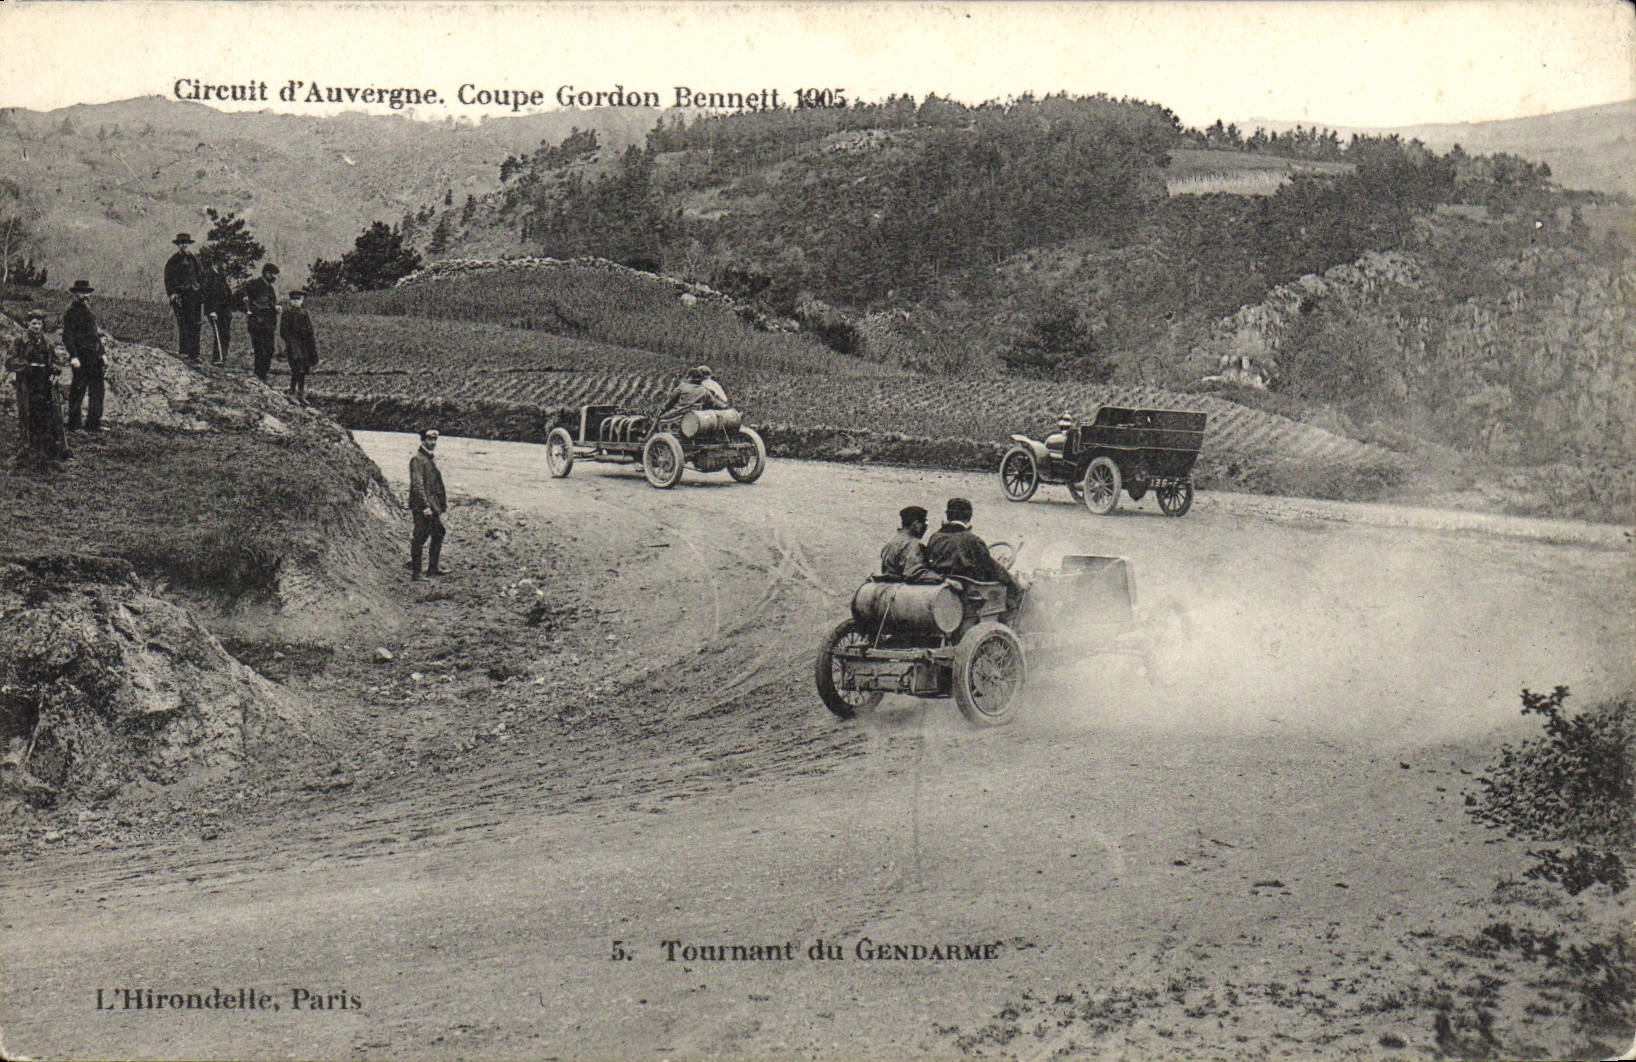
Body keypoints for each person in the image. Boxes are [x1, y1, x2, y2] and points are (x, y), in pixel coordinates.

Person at [925, 497, 1026, 606]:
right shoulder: (973, 540)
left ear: (947, 515)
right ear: (969, 517)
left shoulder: (934, 538)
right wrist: (1014, 584)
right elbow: (991, 568)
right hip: (971, 594)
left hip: (941, 589)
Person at [7, 309, 69, 467]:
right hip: (27, 383)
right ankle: (26, 448)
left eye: (39, 323)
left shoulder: (46, 342)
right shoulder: (20, 341)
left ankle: (48, 449)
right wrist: (28, 366)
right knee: (27, 414)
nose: (36, 326)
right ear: (27, 324)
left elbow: (54, 361)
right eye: (33, 323)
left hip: (44, 384)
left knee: (46, 415)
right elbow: (10, 361)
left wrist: (55, 371)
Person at [62, 280, 107, 431]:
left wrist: (102, 353)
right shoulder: (71, 311)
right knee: (78, 390)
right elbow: (67, 335)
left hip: (94, 357)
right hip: (81, 357)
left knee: (97, 391)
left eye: (87, 292)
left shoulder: (89, 310)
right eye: (81, 292)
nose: (85, 295)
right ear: (75, 294)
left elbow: (95, 335)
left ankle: (93, 423)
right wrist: (73, 356)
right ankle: (74, 425)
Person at [408, 428, 448, 580]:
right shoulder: (418, 459)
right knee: (419, 537)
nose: (433, 443)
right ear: (423, 440)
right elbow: (417, 485)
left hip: (431, 506)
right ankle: (417, 573)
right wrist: (425, 506)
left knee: (438, 533)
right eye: (430, 439)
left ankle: (432, 568)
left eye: (435, 440)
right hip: (423, 507)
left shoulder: (428, 458)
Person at [163, 232, 204, 361]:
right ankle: (184, 351)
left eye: (186, 243)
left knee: (196, 323)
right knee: (184, 322)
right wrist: (172, 293)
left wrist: (199, 289)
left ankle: (195, 353)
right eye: (181, 243)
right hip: (181, 295)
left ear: (189, 244)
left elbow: (201, 276)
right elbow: (168, 278)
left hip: (194, 296)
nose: (184, 245)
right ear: (178, 245)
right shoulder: (173, 260)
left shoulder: (194, 259)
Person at [237, 263, 280, 382]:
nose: (274, 277)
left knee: (269, 349)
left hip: (269, 324)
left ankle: (263, 374)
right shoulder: (254, 284)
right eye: (273, 274)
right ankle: (259, 374)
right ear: (266, 273)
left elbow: (270, 304)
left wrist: (275, 308)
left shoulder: (270, 288)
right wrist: (247, 310)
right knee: (260, 349)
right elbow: (238, 296)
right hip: (257, 323)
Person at [879, 505, 944, 584]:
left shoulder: (891, 542)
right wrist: (941, 578)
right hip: (905, 591)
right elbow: (914, 573)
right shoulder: (912, 544)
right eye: (924, 524)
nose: (925, 529)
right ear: (916, 524)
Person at [279, 289, 318, 405]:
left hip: (305, 344)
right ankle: (291, 392)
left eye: (299, 299)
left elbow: (309, 331)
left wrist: (311, 346)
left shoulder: (304, 313)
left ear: (302, 301)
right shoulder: (287, 313)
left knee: (304, 369)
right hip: (294, 344)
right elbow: (284, 331)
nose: (296, 302)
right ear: (290, 301)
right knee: (296, 368)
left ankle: (300, 393)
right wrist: (291, 343)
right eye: (294, 299)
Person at [655, 367, 726, 422]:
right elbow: (715, 403)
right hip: (694, 417)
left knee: (659, 419)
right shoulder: (704, 390)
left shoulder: (682, 387)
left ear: (690, 377)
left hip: (677, 415)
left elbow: (670, 402)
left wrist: (661, 411)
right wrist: (725, 407)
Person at [201, 261, 235, 365]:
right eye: (224, 262)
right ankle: (217, 358)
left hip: (224, 310)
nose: (226, 265)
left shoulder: (222, 275)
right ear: (217, 262)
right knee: (219, 333)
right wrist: (211, 310)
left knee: (225, 334)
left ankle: (222, 358)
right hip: (214, 310)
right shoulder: (207, 274)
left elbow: (227, 293)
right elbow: (206, 293)